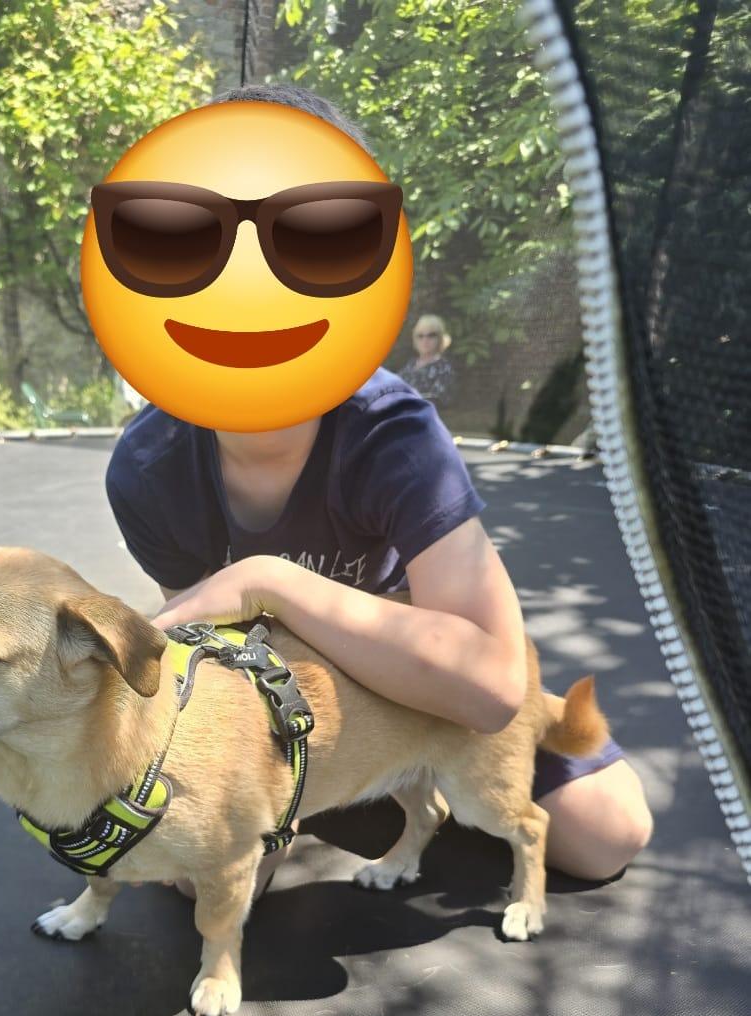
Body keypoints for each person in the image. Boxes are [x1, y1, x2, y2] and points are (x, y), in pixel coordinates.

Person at [104, 84, 653, 891]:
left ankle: (404, 777)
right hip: (297, 689)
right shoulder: (150, 470)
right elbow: (210, 656)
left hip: (407, 661)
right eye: (184, 240)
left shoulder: (392, 434)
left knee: (608, 831)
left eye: (318, 238)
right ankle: (363, 783)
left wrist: (271, 582)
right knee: (201, 875)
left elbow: (491, 687)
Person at [400, 314, 456, 408]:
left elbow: (436, 401)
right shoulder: (410, 364)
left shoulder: (444, 368)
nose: (425, 340)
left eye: (431, 335)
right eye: (420, 336)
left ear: (440, 338)